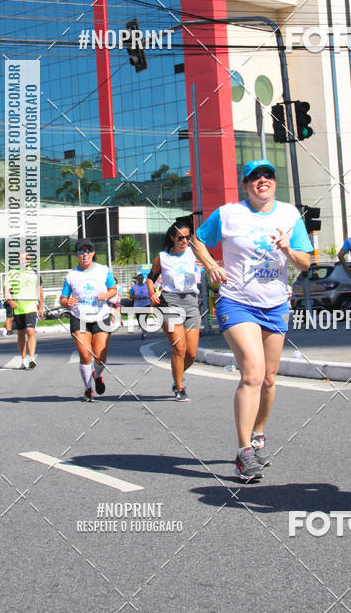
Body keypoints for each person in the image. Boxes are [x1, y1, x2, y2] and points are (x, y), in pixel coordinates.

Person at [193, 159, 313, 482]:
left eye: (268, 175)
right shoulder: (229, 214)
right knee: (253, 373)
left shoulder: (290, 215)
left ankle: (259, 435)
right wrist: (210, 265)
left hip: (275, 304)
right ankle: (244, 451)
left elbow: (306, 262)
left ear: (274, 182)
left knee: (270, 379)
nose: (263, 180)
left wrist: (288, 250)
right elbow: (197, 239)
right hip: (237, 302)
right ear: (246, 185)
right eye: (255, 176)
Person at [146, 223, 201, 401]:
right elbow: (150, 279)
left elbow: (209, 263)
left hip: (191, 302)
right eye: (180, 238)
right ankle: (179, 387)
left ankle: (177, 375)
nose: (184, 241)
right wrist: (152, 292)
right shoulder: (162, 258)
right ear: (172, 238)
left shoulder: (194, 253)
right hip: (170, 302)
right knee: (179, 348)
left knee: (191, 354)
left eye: (187, 237)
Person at [60, 238, 117, 401]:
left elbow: (113, 289)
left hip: (101, 315)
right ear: (76, 254)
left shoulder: (103, 271)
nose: (84, 254)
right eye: (80, 251)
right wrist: (66, 302)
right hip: (79, 316)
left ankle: (97, 374)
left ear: (93, 253)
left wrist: (107, 294)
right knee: (85, 355)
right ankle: (87, 388)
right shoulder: (71, 276)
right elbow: (63, 299)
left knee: (100, 356)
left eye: (87, 251)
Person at [5, 253, 44, 370]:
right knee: (21, 334)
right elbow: (6, 289)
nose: (24, 260)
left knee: (30, 331)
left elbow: (40, 291)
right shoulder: (12, 273)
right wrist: (10, 300)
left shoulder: (35, 273)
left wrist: (40, 306)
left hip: (31, 306)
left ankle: (32, 358)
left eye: (26, 258)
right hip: (18, 307)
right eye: (22, 258)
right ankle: (23, 359)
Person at [130, 272, 150, 339]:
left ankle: (144, 332)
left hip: (146, 304)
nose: (140, 280)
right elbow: (131, 296)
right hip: (137, 305)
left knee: (144, 318)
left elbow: (151, 293)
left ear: (143, 279)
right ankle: (142, 328)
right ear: (137, 279)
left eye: (141, 278)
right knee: (139, 319)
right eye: (139, 279)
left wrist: (148, 297)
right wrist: (135, 297)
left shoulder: (147, 286)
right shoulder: (134, 287)